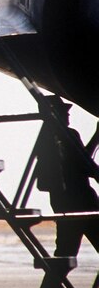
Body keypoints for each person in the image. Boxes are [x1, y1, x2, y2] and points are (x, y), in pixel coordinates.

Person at [34, 96, 99, 259]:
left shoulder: (45, 140)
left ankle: (52, 284)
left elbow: (81, 159)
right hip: (83, 201)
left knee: (65, 254)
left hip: (63, 203)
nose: (68, 116)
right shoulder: (69, 135)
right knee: (65, 254)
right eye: (64, 112)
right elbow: (84, 163)